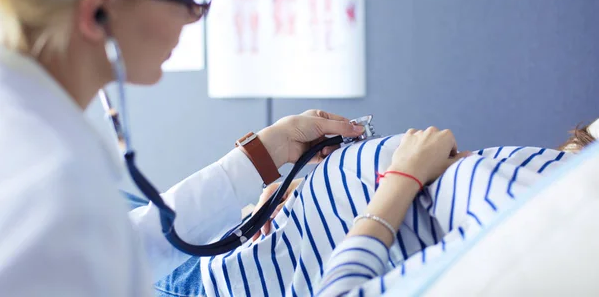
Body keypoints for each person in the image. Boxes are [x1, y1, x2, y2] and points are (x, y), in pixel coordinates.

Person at [0, 0, 365, 295]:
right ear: (99, 10)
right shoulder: (53, 183)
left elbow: (119, 250)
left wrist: (263, 156)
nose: (195, 13)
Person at [149, 120, 596, 296]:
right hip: (224, 244)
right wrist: (290, 200)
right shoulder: (562, 176)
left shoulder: (566, 237)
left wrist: (402, 176)